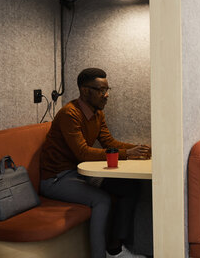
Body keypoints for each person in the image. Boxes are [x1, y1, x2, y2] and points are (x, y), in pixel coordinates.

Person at [40, 68, 151, 258]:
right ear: (85, 91)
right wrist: (127, 153)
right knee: (102, 200)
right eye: (101, 90)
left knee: (130, 188)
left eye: (107, 90)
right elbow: (82, 152)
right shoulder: (70, 114)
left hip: (80, 174)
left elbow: (110, 143)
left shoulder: (97, 113)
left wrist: (138, 150)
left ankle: (114, 250)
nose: (106, 95)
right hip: (57, 179)